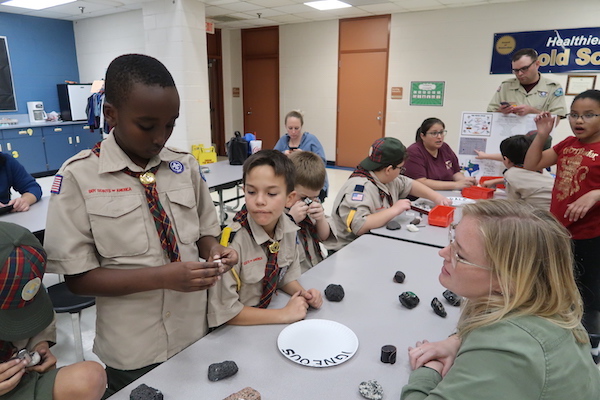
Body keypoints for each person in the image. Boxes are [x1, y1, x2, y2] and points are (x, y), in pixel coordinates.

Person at [44, 54, 238, 396]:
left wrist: (215, 251)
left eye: (170, 124)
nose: (160, 137)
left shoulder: (184, 166)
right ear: (111, 114)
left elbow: (206, 232)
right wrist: (163, 277)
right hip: (134, 349)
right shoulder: (78, 177)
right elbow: (77, 279)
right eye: (147, 126)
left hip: (196, 330)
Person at [401, 199, 600, 400]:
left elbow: (504, 350)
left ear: (508, 280)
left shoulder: (505, 348)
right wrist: (457, 340)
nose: (443, 252)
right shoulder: (547, 303)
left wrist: (429, 370)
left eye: (459, 254)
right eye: (452, 239)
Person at [524, 89, 600, 359]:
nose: (579, 121)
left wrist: (597, 193)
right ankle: (558, 336)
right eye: (575, 115)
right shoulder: (568, 143)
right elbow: (532, 164)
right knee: (557, 284)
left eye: (589, 115)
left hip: (590, 236)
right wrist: (542, 135)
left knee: (588, 292)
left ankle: (591, 341)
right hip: (557, 232)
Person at [207, 150, 323, 327]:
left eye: (271, 194)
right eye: (252, 192)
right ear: (243, 190)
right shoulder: (231, 243)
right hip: (238, 332)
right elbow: (226, 312)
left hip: (267, 323)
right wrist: (283, 314)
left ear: (289, 198)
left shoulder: (289, 228)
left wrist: (303, 294)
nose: (260, 201)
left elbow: (283, 276)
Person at [0, 222, 106, 400]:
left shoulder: (19, 278)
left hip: (16, 382)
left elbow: (36, 318)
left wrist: (38, 345)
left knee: (89, 376)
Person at [329, 137, 451, 251]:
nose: (401, 172)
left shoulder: (386, 178)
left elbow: (410, 184)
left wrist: (437, 197)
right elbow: (359, 225)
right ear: (388, 169)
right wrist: (395, 210)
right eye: (401, 169)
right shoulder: (359, 188)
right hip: (348, 249)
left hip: (373, 241)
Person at [287, 151, 337, 273]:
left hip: (316, 268)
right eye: (304, 197)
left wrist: (320, 219)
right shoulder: (276, 213)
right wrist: (290, 220)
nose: (309, 202)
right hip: (295, 276)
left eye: (315, 197)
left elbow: (324, 236)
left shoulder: (311, 203)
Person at [487, 48, 567, 117]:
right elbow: (490, 115)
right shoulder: (505, 86)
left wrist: (532, 111)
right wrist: (500, 112)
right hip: (508, 133)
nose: (520, 74)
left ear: (537, 64)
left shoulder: (553, 87)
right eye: (516, 70)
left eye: (524, 68)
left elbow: (555, 120)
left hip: (538, 134)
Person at [403, 118, 476, 190]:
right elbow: (420, 182)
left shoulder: (445, 148)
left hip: (447, 193)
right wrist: (455, 185)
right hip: (420, 197)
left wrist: (464, 182)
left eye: (441, 132)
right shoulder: (414, 151)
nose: (439, 137)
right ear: (423, 136)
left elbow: (455, 172)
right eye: (434, 133)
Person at [274, 110, 329, 201]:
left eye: (297, 128)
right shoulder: (283, 140)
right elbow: (273, 159)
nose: (293, 132)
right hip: (292, 186)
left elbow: (322, 163)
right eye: (290, 128)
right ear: (285, 127)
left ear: (302, 127)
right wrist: (283, 155)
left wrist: (304, 156)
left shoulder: (311, 139)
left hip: (312, 184)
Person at [497, 134, 554, 210]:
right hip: (557, 210)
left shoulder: (511, 174)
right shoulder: (541, 169)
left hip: (541, 216)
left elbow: (513, 206)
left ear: (506, 160)